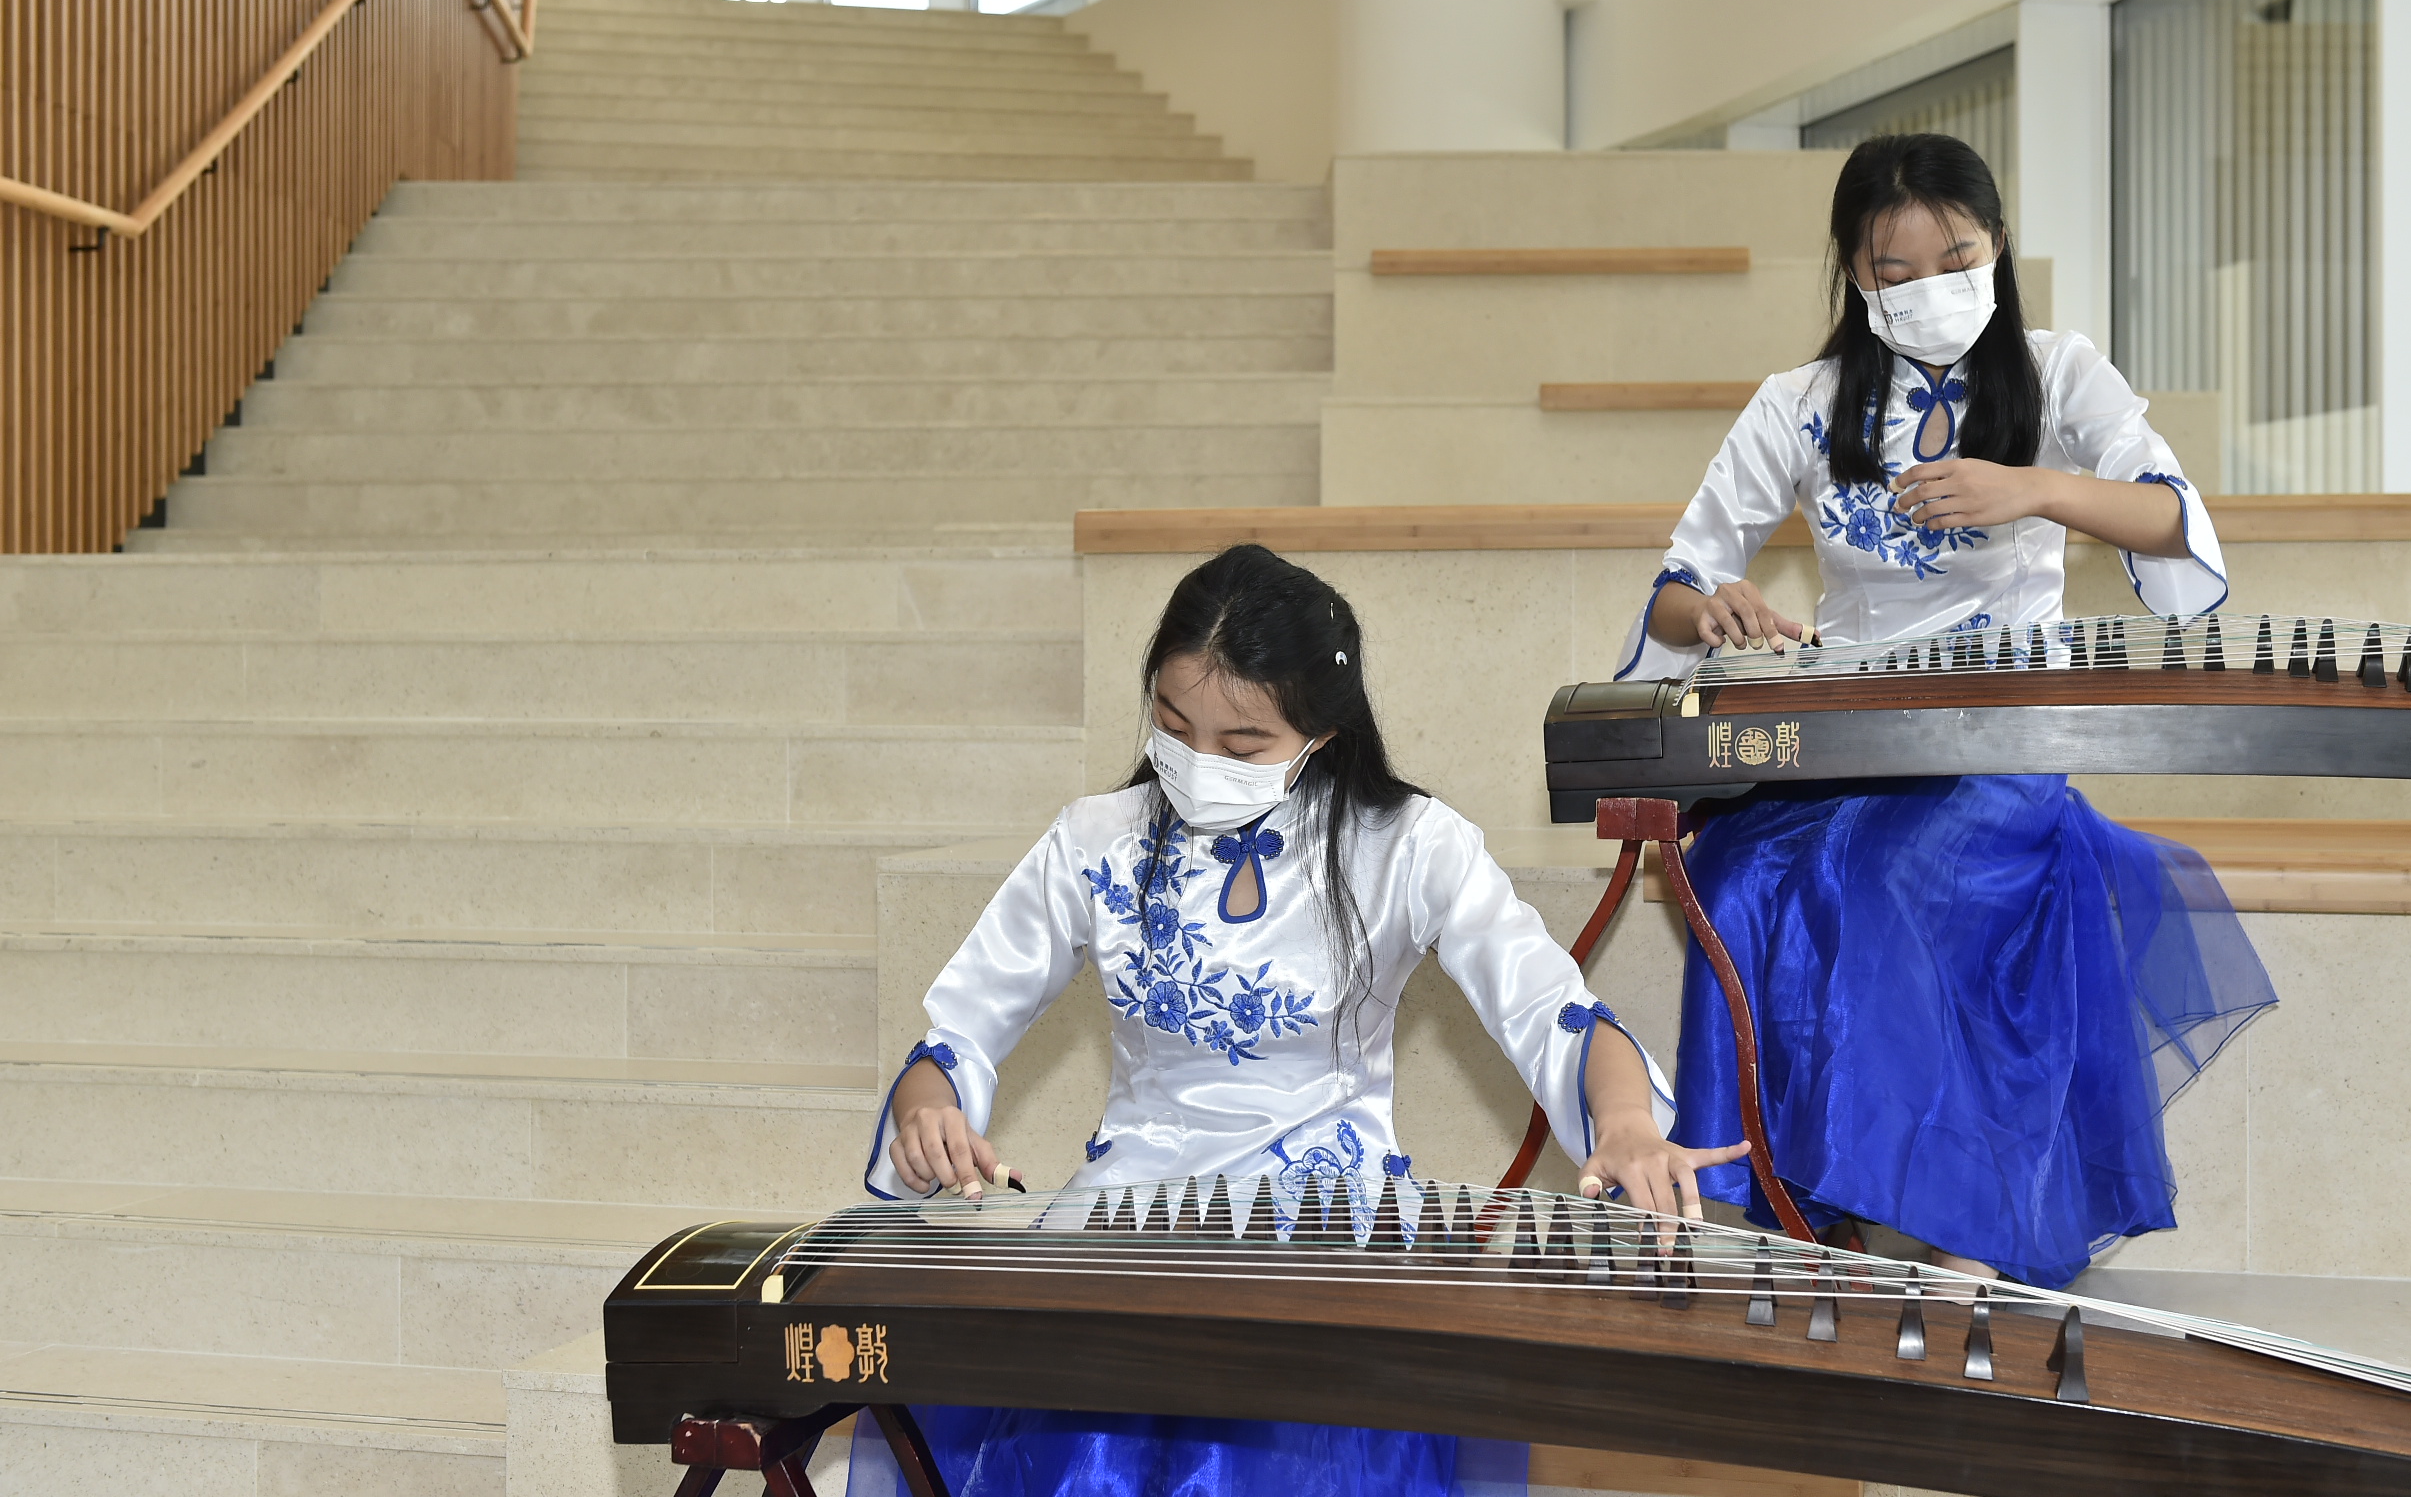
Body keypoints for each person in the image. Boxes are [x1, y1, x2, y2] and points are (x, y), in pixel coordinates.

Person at [852, 543, 1746, 1497]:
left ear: (1323, 730)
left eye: (1241, 747)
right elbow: (956, 1035)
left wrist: (1624, 1124)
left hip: (1330, 1211)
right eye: (1171, 723)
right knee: (1082, 1423)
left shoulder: (1407, 846)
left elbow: (1551, 1008)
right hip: (1133, 1209)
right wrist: (928, 1114)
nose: (1198, 764)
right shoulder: (1094, 842)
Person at [1613, 133, 2277, 1290]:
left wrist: (2033, 488)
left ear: (1996, 246)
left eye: (1954, 255)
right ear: (1851, 274)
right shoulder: (1802, 404)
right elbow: (1675, 585)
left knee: (1885, 878)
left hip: (2003, 731)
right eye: (1892, 268)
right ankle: (1779, 1199)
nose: (1926, 287)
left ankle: (1941, 1215)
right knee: (1725, 878)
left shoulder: (2059, 371)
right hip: (1849, 730)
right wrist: (1713, 607)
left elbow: (2176, 522)